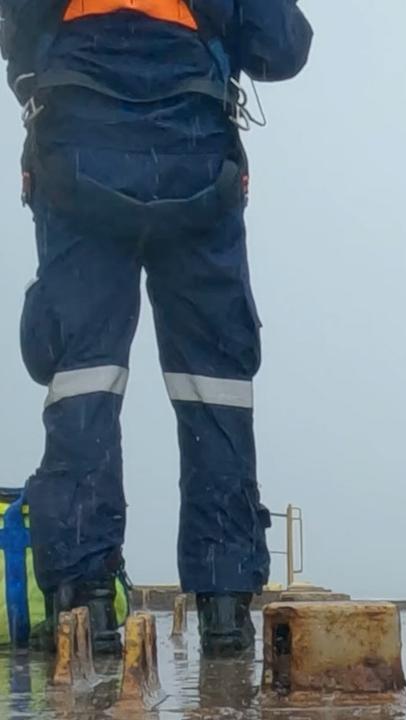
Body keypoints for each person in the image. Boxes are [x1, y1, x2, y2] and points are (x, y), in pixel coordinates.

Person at [0, 0, 312, 656]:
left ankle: (84, 607)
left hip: (76, 156)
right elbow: (283, 47)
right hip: (198, 165)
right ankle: (225, 612)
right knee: (215, 387)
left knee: (83, 379)